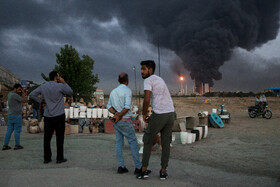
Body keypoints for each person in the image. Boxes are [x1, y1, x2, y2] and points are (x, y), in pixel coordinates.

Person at [137, 60, 175, 180]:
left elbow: (147, 98)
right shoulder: (160, 79)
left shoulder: (148, 80)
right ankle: (163, 172)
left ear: (150, 69)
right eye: (141, 69)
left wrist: (144, 113)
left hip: (160, 113)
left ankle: (143, 171)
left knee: (147, 140)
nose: (141, 71)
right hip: (170, 113)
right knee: (165, 143)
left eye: (144, 69)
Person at [29, 71, 73, 164]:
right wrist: (63, 82)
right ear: (57, 77)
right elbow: (70, 91)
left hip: (48, 115)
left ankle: (47, 158)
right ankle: (59, 158)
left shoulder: (43, 86)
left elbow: (32, 94)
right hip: (59, 115)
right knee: (60, 137)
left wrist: (41, 101)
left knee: (47, 138)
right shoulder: (60, 86)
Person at [107, 72, 142, 175]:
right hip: (125, 121)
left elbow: (109, 106)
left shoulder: (113, 91)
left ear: (118, 81)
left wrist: (116, 114)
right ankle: (138, 167)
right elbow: (127, 107)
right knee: (133, 143)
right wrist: (119, 115)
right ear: (127, 81)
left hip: (116, 122)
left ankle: (121, 166)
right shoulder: (127, 91)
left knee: (119, 143)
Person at [2, 83, 26, 150]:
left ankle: (5, 145)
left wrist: (20, 92)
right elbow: (24, 100)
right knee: (17, 130)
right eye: (18, 89)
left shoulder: (10, 94)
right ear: (15, 88)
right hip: (17, 115)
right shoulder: (15, 95)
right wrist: (23, 93)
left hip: (10, 115)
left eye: (20, 90)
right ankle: (17, 145)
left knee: (9, 130)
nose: (19, 91)